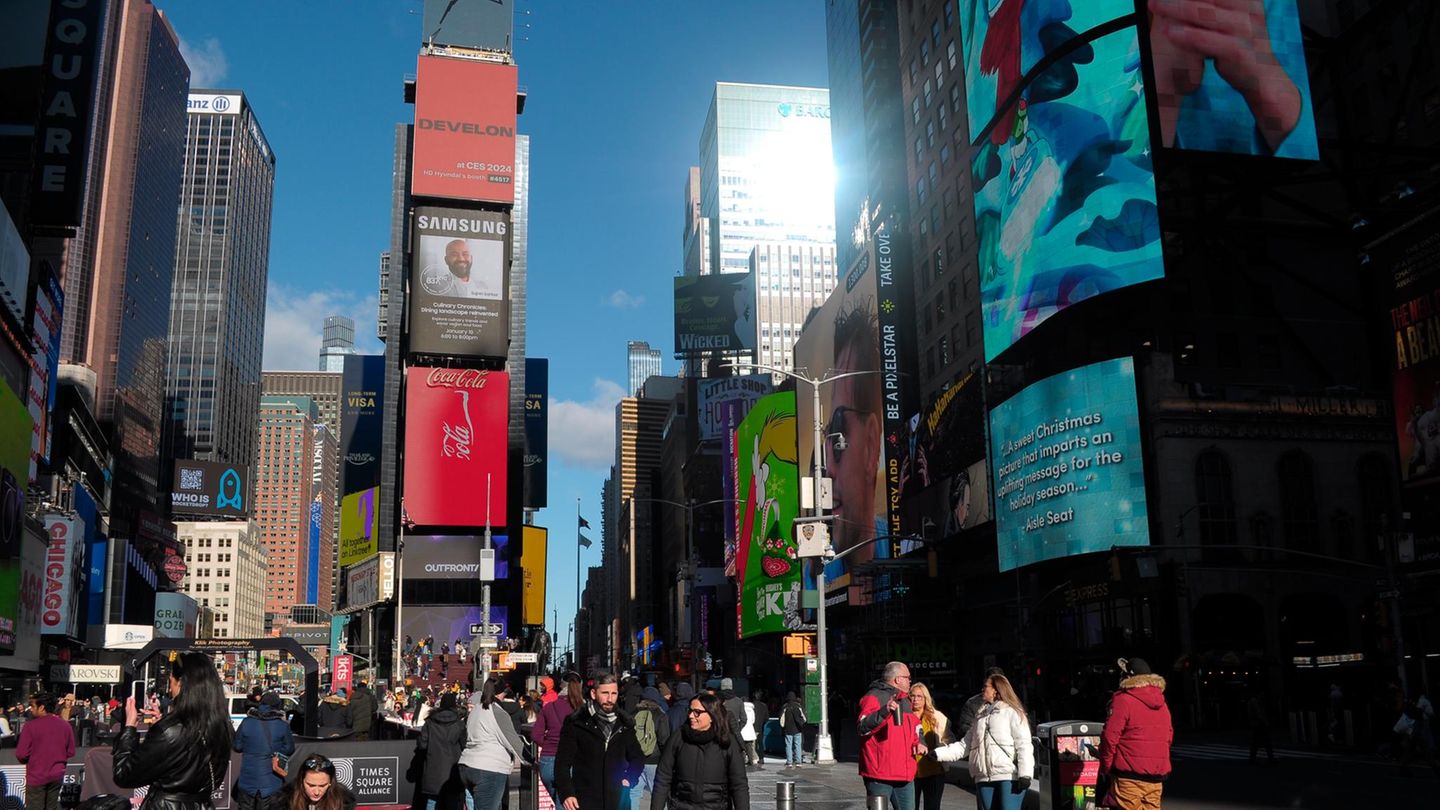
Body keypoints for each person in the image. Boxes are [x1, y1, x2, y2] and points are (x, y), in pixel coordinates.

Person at [113, 652, 235, 810]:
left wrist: (129, 727)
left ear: (181, 682)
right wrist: (162, 724)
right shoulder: (222, 726)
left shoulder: (171, 730)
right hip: (202, 804)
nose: (170, 687)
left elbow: (124, 775)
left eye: (171, 680)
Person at [827, 301, 884, 559]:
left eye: (838, 433)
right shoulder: (814, 574)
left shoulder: (903, 543)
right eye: (828, 436)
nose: (828, 468)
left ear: (871, 446)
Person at [931, 674, 1031, 810]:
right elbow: (964, 745)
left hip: (1008, 777)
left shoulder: (1012, 713)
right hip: (983, 778)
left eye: (985, 687)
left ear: (996, 689)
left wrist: (1025, 774)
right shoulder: (980, 717)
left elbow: (1023, 744)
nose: (982, 689)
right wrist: (938, 754)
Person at [554, 673, 644, 810]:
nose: (610, 699)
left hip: (618, 799)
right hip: (585, 798)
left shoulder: (624, 723)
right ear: (594, 694)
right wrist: (567, 793)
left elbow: (637, 757)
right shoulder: (576, 722)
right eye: (605, 693)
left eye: (614, 693)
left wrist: (629, 778)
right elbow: (562, 762)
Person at [649, 692, 749, 810]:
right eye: (690, 711)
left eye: (697, 712)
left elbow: (739, 784)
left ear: (712, 715)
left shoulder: (727, 742)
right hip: (681, 806)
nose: (691, 716)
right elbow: (663, 777)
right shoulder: (678, 738)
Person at [1097, 658, 1172, 810]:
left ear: (1128, 677)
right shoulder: (1162, 703)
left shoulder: (1123, 700)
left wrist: (1106, 767)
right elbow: (1168, 737)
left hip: (1129, 775)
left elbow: (1109, 737)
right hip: (1156, 776)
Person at [856, 661, 925, 810]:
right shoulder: (873, 697)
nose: (909, 681)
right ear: (898, 679)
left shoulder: (905, 701)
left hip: (905, 775)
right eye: (908, 677)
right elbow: (862, 727)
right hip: (880, 775)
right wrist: (884, 711)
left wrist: (920, 742)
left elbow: (916, 726)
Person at [458, 676, 526, 810]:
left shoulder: (475, 710)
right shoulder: (498, 712)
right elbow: (513, 742)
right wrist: (532, 760)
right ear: (501, 694)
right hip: (489, 768)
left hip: (468, 764)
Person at [234, 692, 297, 810]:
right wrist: (275, 751)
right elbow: (289, 749)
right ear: (277, 706)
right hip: (271, 783)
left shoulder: (247, 722)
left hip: (247, 781)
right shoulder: (282, 725)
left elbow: (237, 747)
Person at [17, 692, 75, 810]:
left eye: (32, 706)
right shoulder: (65, 725)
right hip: (56, 775)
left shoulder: (30, 726)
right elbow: (70, 752)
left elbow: (21, 754)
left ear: (42, 707)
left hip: (37, 776)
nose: (31, 709)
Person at [534, 673, 583, 804]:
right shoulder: (583, 709)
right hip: (572, 761)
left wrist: (548, 744)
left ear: (561, 686)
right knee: (567, 803)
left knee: (561, 801)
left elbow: (536, 735)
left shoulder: (549, 707)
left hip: (548, 760)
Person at [417, 692, 466, 810]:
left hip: (433, 767)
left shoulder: (430, 722)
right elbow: (465, 745)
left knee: (432, 801)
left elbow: (422, 745)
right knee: (453, 803)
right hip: (452, 769)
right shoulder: (459, 724)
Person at [909, 683, 954, 810]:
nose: (915, 699)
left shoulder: (937, 717)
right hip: (910, 773)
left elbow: (949, 739)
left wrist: (938, 750)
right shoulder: (904, 717)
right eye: (912, 696)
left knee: (933, 807)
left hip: (934, 771)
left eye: (919, 696)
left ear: (926, 699)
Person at [631, 686, 670, 810]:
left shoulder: (633, 714)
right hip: (654, 761)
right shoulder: (660, 715)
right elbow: (664, 740)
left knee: (634, 793)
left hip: (635, 760)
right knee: (658, 793)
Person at [279, 754, 356, 810]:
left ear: (331, 782)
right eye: (311, 785)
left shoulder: (343, 802)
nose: (316, 792)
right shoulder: (285, 801)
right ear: (301, 781)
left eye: (322, 786)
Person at [956, 667, 1006, 742]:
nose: (983, 689)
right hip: (978, 746)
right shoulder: (973, 703)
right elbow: (964, 730)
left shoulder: (1011, 706)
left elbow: (1022, 739)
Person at [1245, 690, 1273, 765]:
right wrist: (1265, 721)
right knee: (1266, 741)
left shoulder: (1252, 701)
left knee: (1255, 743)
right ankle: (1270, 758)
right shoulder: (1255, 701)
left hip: (1256, 724)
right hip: (1259, 724)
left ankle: (1252, 759)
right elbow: (1258, 713)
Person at [779, 692, 807, 768]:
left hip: (788, 730)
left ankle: (789, 762)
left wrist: (783, 726)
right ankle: (798, 761)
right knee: (797, 745)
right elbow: (804, 718)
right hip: (798, 729)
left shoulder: (785, 707)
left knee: (788, 745)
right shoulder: (798, 706)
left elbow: (781, 720)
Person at [738, 695, 759, 769]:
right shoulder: (751, 710)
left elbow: (739, 719)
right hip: (750, 729)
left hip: (742, 729)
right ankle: (751, 760)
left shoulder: (741, 708)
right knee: (750, 747)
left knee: (741, 747)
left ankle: (742, 761)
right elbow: (753, 720)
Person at [750, 692, 769, 768]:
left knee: (752, 744)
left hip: (752, 727)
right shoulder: (764, 706)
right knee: (760, 743)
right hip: (760, 727)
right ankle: (761, 758)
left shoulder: (751, 706)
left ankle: (754, 758)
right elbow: (766, 717)